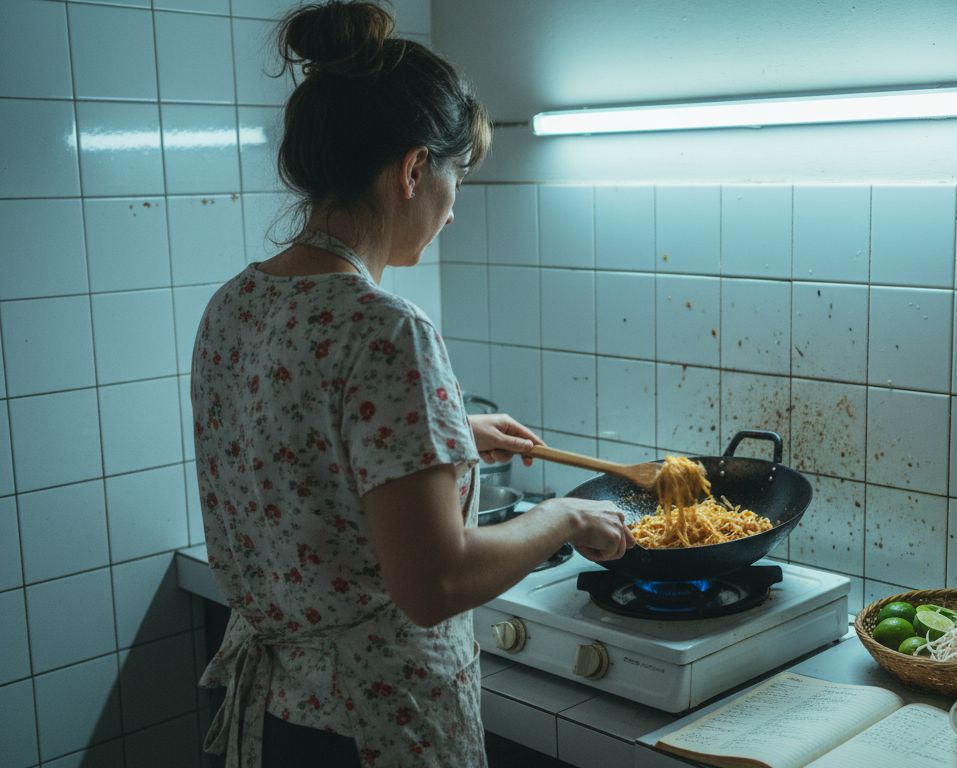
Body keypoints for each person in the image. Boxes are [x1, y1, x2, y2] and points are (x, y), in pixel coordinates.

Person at [190, 2, 635, 766]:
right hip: (373, 722)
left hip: (274, 716)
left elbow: (303, 449)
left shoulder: (236, 303)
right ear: (413, 169)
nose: (455, 209)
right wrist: (565, 517)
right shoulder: (387, 327)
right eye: (457, 176)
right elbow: (436, 581)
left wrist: (449, 433)